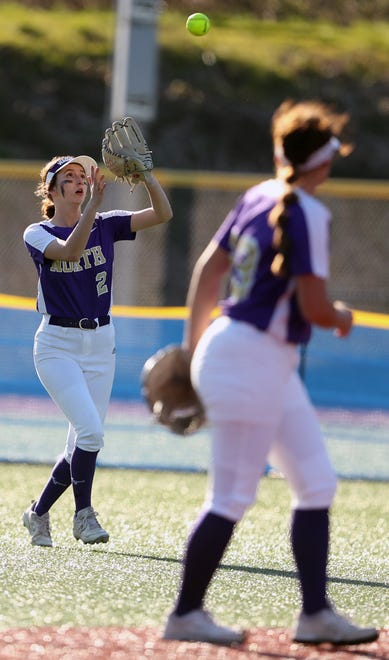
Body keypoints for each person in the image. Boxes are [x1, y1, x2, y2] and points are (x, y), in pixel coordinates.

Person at [163, 100, 379, 646]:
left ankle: (315, 615)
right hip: (250, 358)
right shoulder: (307, 210)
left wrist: (194, 350)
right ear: (325, 161)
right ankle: (186, 613)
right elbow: (314, 308)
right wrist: (343, 318)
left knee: (316, 482)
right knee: (231, 495)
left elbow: (207, 271)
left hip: (251, 357)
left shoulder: (259, 195)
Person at [22, 155, 173, 547]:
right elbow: (70, 251)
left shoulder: (105, 223)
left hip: (101, 343)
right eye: (67, 178)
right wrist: (92, 209)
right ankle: (83, 517)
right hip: (57, 345)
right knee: (91, 432)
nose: (77, 182)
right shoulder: (37, 232)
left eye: (81, 177)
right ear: (51, 191)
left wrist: (147, 176)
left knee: (82, 443)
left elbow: (162, 213)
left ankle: (37, 513)